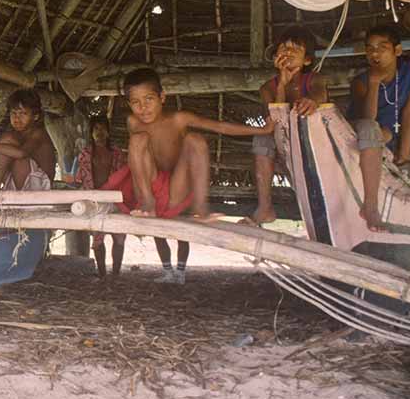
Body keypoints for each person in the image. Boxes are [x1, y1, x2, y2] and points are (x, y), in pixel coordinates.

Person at [113, 67, 273, 220]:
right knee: (137, 139)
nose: (143, 107)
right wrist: (146, 198)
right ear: (129, 105)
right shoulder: (132, 122)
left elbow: (220, 126)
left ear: (162, 97)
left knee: (194, 139)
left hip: (175, 192)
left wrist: (263, 130)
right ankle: (148, 202)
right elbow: (137, 160)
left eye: (149, 99)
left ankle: (200, 207)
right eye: (135, 102)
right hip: (145, 193)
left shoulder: (179, 120)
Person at [245, 28, 329, 226]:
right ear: (275, 56)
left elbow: (320, 95)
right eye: (284, 47)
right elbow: (274, 121)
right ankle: (265, 208)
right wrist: (282, 85)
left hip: (315, 147)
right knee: (262, 139)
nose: (288, 52)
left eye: (296, 48)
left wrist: (312, 102)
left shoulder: (315, 79)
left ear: (307, 60)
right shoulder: (267, 88)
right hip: (283, 147)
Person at [348, 24, 410, 231]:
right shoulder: (360, 82)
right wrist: (373, 83)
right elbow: (367, 119)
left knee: (384, 133)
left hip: (387, 132)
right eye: (369, 48)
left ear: (397, 51)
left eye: (382, 47)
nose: (375, 53)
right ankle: (370, 206)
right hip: (359, 131)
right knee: (372, 128)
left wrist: (405, 153)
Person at [73, 114, 127, 279]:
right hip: (94, 199)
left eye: (103, 128)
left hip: (115, 198)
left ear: (109, 132)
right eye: (96, 129)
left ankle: (116, 273)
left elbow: (125, 176)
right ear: (91, 132)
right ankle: (102, 274)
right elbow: (78, 178)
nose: (100, 132)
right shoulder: (85, 154)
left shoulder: (117, 153)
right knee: (97, 239)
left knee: (119, 237)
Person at [0, 89, 56, 191]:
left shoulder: (39, 134)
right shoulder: (15, 133)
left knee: (5, 145)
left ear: (35, 116)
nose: (17, 118)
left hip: (38, 186)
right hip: (17, 183)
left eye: (23, 113)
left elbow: (22, 154)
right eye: (14, 113)